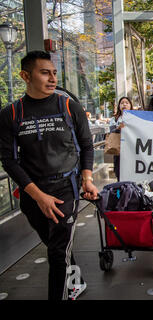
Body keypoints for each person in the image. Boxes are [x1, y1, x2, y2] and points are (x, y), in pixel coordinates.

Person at [0, 50, 98, 300]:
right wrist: (38, 196)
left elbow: (87, 145)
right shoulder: (11, 114)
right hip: (33, 194)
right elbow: (9, 161)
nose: (52, 78)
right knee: (57, 245)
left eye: (54, 72)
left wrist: (87, 179)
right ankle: (77, 281)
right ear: (25, 76)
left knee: (56, 253)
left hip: (67, 188)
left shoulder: (69, 106)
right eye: (45, 73)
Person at [111, 97, 133, 181]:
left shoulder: (136, 118)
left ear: (131, 105)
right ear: (119, 106)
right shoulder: (114, 119)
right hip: (119, 153)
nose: (124, 104)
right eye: (122, 103)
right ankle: (119, 194)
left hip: (132, 152)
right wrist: (118, 129)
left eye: (127, 102)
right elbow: (111, 134)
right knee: (120, 177)